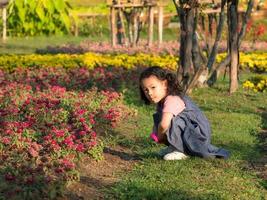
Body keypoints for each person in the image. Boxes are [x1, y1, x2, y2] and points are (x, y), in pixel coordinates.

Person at [139, 66, 230, 160]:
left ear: (164, 84)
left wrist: (160, 136)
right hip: (189, 133)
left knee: (174, 120)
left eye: (153, 87)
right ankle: (174, 147)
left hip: (196, 134)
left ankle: (181, 150)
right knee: (159, 116)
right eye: (146, 89)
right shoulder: (161, 102)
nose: (149, 93)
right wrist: (155, 133)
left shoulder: (172, 99)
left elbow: (163, 125)